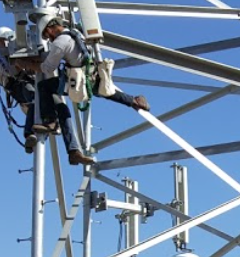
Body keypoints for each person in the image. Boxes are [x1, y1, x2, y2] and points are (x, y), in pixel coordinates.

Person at [29, 16, 151, 165]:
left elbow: (48, 68)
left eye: (48, 36)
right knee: (104, 90)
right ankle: (133, 100)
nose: (49, 39)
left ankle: (51, 122)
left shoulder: (60, 42)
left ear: (49, 29)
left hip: (77, 80)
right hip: (90, 74)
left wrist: (26, 64)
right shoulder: (75, 33)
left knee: (45, 88)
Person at [0, 26, 37, 152]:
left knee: (39, 104)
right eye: (0, 41)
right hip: (16, 85)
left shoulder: (12, 53)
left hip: (23, 82)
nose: (2, 44)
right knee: (34, 98)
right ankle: (29, 134)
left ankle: (34, 137)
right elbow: (9, 71)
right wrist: (19, 65)